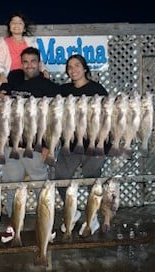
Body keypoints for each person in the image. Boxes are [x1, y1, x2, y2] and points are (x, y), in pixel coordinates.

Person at [0, 47, 61, 243]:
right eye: (25, 62)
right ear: (20, 63)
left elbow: (54, 120)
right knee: (12, 186)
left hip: (36, 146)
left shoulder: (48, 86)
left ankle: (48, 223)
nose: (29, 65)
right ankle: (13, 224)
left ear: (39, 63)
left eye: (33, 61)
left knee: (41, 186)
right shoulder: (13, 79)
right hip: (10, 144)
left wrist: (49, 144)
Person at [54, 54, 110, 233]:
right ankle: (74, 212)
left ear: (85, 68)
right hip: (70, 145)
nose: (73, 70)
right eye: (69, 67)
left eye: (77, 65)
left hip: (95, 145)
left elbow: (107, 118)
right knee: (61, 177)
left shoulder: (97, 89)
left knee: (92, 181)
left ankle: (92, 218)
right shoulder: (63, 91)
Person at [0, 11, 49, 91]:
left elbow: (37, 59)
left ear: (24, 28)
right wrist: (1, 74)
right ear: (9, 26)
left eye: (20, 23)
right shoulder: (2, 42)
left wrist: (44, 70)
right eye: (13, 23)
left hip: (28, 75)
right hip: (11, 76)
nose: (16, 25)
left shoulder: (30, 42)